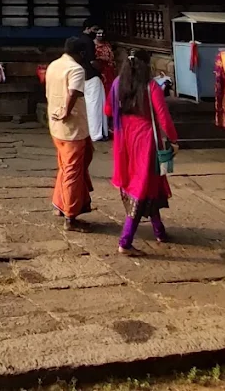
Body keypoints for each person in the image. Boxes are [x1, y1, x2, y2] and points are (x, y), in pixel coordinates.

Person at [106, 48, 179, 255]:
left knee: (148, 183)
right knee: (141, 186)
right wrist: (173, 139)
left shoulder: (117, 84)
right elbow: (163, 117)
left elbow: (108, 110)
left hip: (124, 140)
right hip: (146, 140)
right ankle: (125, 241)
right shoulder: (151, 87)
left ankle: (159, 230)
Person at [46, 35, 93, 230]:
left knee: (66, 166)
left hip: (56, 125)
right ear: (81, 53)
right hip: (72, 127)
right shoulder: (76, 69)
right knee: (72, 170)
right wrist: (66, 111)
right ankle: (70, 216)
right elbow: (73, 92)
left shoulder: (54, 65)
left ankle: (61, 203)